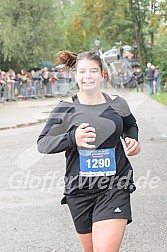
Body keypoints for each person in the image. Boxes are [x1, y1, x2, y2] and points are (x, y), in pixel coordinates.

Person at [37, 50, 141, 252]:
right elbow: (43, 143)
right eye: (82, 71)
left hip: (115, 184)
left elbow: (131, 125)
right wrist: (72, 138)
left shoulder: (117, 103)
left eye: (93, 71)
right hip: (80, 189)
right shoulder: (65, 108)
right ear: (75, 76)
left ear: (102, 74)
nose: (88, 76)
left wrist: (132, 139)